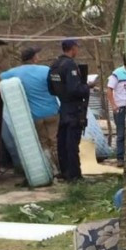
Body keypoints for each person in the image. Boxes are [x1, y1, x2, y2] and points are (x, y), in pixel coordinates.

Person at [0, 47, 60, 172]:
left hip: (35, 115)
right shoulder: (45, 70)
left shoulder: (16, 72)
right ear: (34, 58)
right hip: (52, 112)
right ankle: (61, 167)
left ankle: (51, 169)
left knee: (43, 142)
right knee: (55, 140)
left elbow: (2, 76)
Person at [48, 39, 90, 182]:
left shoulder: (54, 65)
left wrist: (63, 94)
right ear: (73, 48)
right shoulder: (70, 65)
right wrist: (87, 87)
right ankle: (74, 175)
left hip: (63, 107)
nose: (77, 50)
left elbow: (51, 89)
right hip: (74, 109)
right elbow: (74, 89)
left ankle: (65, 171)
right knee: (72, 143)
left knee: (63, 142)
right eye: (77, 48)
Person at [106, 55, 126, 165]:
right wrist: (114, 105)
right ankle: (120, 158)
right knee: (121, 133)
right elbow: (109, 90)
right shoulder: (117, 73)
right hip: (121, 107)